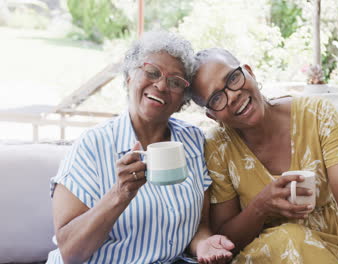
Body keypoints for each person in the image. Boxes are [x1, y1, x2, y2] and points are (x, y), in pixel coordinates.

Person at [46, 32, 234, 264]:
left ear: (181, 101)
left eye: (176, 82)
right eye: (152, 72)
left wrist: (203, 244)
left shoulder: (193, 140)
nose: (162, 85)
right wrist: (119, 195)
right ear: (129, 78)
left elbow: (200, 225)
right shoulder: (93, 144)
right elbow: (70, 253)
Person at [190, 48, 338, 264]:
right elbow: (226, 240)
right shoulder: (218, 146)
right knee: (289, 238)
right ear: (212, 115)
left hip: (334, 250)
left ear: (249, 72)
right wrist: (261, 206)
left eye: (233, 78)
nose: (232, 95)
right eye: (216, 98)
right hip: (265, 256)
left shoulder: (318, 114)